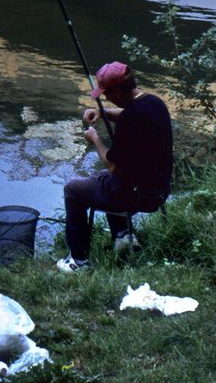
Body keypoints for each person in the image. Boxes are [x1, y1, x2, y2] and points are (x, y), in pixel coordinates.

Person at [56, 61, 172, 272]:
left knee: (73, 190)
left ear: (117, 91)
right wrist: (102, 112)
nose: (104, 98)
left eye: (106, 94)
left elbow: (114, 166)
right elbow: (129, 114)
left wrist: (95, 139)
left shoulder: (129, 121)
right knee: (103, 180)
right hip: (161, 188)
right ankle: (123, 237)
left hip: (139, 196)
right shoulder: (154, 103)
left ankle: (78, 261)